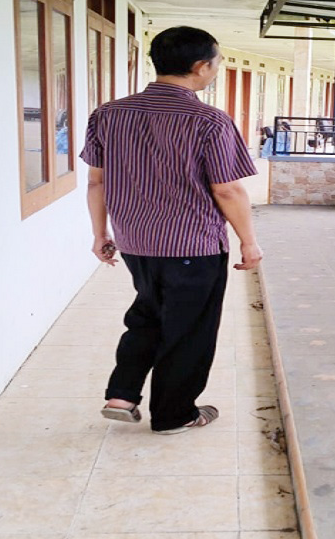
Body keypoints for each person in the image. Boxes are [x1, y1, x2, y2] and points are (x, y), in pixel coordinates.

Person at [79, 25, 262, 434]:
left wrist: (100, 233)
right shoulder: (209, 121)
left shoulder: (108, 114)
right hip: (193, 246)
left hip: (136, 242)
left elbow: (96, 182)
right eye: (216, 63)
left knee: (147, 315)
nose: (216, 69)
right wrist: (249, 241)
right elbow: (227, 189)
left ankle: (122, 395)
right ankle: (174, 415)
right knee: (189, 331)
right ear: (200, 67)